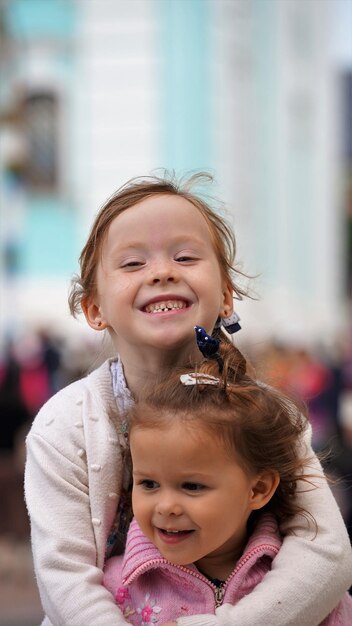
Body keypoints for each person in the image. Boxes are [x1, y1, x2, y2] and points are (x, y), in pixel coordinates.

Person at [24, 173, 352, 626]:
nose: (162, 271)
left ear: (225, 297)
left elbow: (325, 551)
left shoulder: (265, 413)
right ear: (95, 308)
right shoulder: (64, 425)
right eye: (133, 263)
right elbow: (64, 577)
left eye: (185, 256)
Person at [103, 332, 352, 624]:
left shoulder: (302, 589)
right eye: (149, 484)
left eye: (192, 486)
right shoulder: (117, 588)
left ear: (258, 489)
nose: (166, 506)